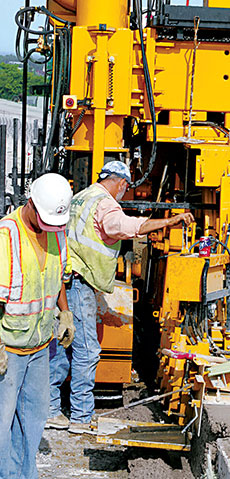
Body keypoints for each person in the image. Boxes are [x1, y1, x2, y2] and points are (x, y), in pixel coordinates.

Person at [47, 160, 194, 433]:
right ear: (121, 182)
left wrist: (106, 309)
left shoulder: (81, 197)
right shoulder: (105, 204)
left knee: (64, 345)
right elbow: (125, 226)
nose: (124, 193)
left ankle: (52, 409)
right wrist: (170, 220)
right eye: (125, 188)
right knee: (86, 350)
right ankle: (80, 417)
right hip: (80, 283)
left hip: (67, 282)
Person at [0, 173, 75, 479]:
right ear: (30, 204)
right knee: (2, 424)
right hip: (9, 350)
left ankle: (22, 474)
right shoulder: (7, 236)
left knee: (32, 420)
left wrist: (65, 313)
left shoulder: (56, 230)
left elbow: (57, 276)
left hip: (40, 346)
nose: (51, 228)